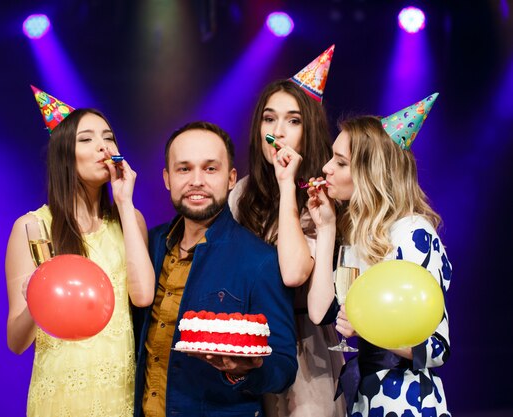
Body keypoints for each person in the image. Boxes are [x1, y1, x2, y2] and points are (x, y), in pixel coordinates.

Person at [6, 87, 155, 417]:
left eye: (109, 137)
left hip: (119, 395)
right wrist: (36, 298)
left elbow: (143, 296)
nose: (104, 146)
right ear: (64, 154)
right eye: (87, 139)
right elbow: (16, 342)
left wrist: (125, 203)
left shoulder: (130, 220)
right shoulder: (32, 228)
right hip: (59, 397)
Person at [133, 121, 298, 417]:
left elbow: (284, 367)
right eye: (184, 169)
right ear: (167, 178)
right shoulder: (148, 246)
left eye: (211, 169)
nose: (197, 180)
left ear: (231, 178)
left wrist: (243, 370)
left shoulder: (259, 260)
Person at [306, 93, 451, 416]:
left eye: (341, 162)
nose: (327, 168)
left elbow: (436, 347)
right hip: (366, 397)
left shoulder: (413, 233)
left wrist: (367, 327)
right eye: (332, 158)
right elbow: (320, 312)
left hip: (407, 401)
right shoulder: (357, 235)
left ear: (370, 172)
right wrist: (327, 228)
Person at [229, 46, 346, 417]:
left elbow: (295, 273)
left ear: (308, 128)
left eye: (292, 120)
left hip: (306, 347)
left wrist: (286, 186)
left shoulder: (319, 196)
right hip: (248, 344)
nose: (277, 131)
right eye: (269, 119)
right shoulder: (242, 193)